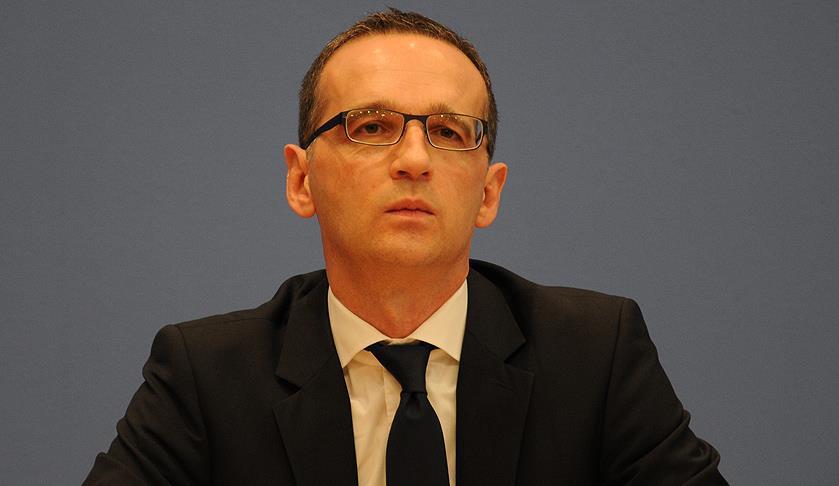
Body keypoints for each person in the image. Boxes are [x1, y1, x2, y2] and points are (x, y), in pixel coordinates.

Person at [84, 8, 727, 486]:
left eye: (448, 132)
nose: (415, 159)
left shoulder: (594, 356)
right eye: (371, 127)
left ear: (488, 193)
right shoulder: (205, 377)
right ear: (302, 180)